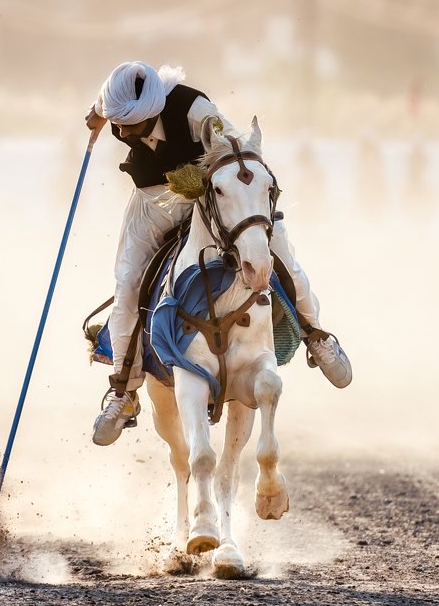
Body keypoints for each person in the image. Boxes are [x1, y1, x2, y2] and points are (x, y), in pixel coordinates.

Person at [84, 61, 351, 446]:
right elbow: (103, 107)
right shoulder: (117, 102)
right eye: (117, 123)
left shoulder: (196, 110)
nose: (122, 132)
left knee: (282, 257)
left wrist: (208, 184)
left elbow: (237, 155)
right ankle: (124, 390)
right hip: (151, 203)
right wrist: (96, 116)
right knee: (127, 284)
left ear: (154, 109)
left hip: (214, 199)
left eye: (130, 126)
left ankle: (316, 336)